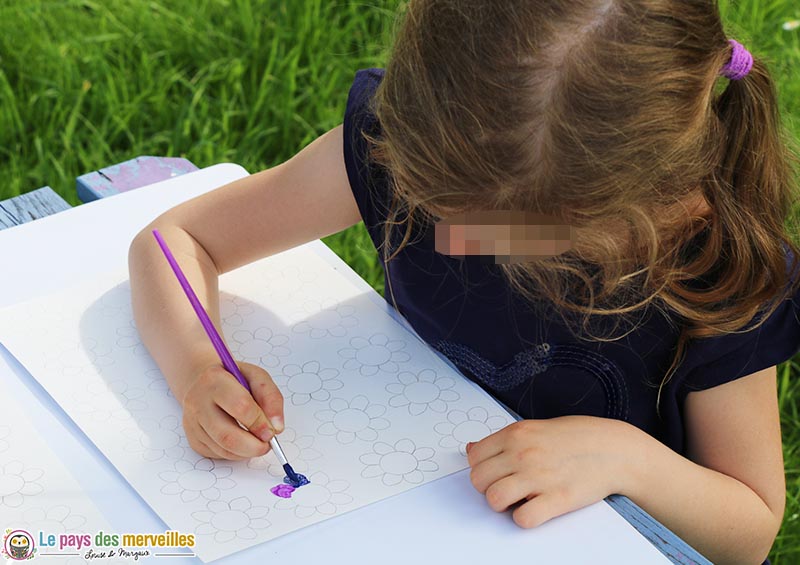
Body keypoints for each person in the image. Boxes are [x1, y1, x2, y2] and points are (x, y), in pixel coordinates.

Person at [128, 2, 799, 563]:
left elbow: (751, 526)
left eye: (521, 233)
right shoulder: (405, 149)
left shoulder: (716, 263)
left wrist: (626, 458)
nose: (482, 245)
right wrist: (195, 369)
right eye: (451, 214)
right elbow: (174, 241)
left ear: (643, 202)